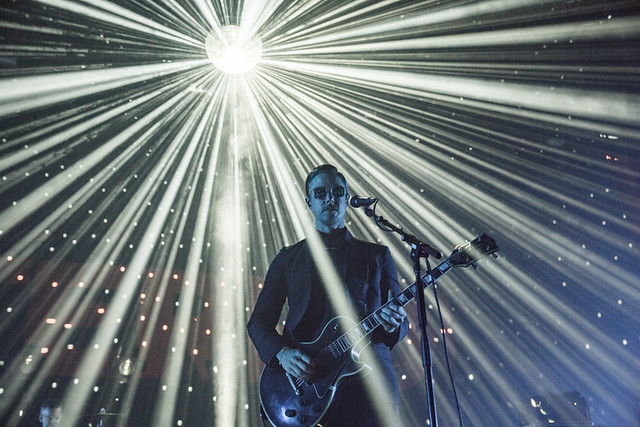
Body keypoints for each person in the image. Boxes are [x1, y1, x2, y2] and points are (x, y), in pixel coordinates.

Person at [247, 164, 408, 426]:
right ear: (309, 202)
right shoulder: (288, 259)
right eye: (321, 193)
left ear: (346, 197)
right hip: (306, 387)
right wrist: (282, 354)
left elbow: (398, 318)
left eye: (337, 192)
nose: (330, 198)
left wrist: (395, 324)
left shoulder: (377, 256)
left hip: (369, 387)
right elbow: (259, 321)